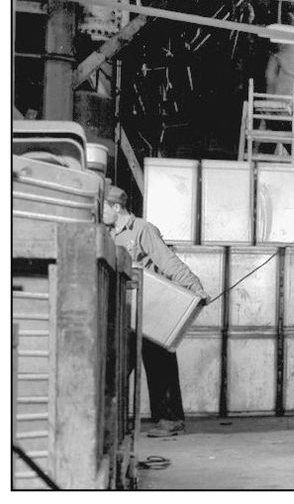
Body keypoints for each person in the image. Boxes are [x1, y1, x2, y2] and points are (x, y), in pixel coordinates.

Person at [103, 185, 207, 438]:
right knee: (116, 365)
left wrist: (196, 288)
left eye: (102, 207)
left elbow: (167, 261)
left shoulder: (143, 230)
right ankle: (109, 422)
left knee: (160, 363)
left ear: (116, 207)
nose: (99, 212)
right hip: (124, 311)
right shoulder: (108, 235)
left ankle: (171, 420)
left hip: (152, 310)